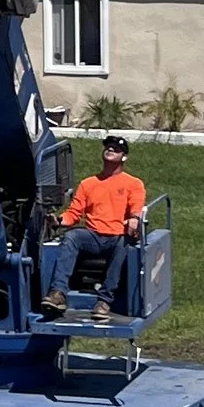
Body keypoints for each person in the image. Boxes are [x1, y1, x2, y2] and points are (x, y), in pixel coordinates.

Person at [47, 132, 146, 314]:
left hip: (118, 236)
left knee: (124, 243)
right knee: (72, 236)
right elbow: (74, 214)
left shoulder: (133, 184)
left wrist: (134, 219)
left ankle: (104, 301)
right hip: (93, 236)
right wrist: (60, 220)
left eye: (116, 149)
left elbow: (136, 208)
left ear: (123, 157)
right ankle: (58, 293)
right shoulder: (88, 184)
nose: (110, 150)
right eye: (108, 147)